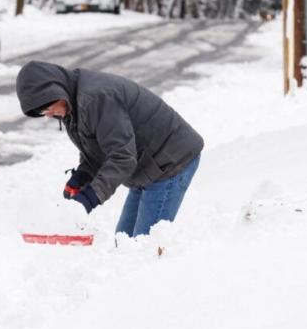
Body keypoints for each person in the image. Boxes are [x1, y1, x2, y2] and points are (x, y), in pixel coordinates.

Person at [15, 60, 204, 238]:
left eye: (46, 106)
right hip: (146, 165)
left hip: (170, 161)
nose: (47, 115)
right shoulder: (71, 104)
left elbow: (122, 157)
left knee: (142, 248)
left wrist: (90, 197)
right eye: (41, 112)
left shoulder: (95, 98)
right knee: (123, 241)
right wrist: (83, 176)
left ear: (55, 90)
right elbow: (101, 148)